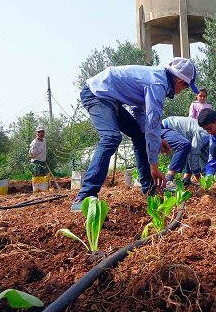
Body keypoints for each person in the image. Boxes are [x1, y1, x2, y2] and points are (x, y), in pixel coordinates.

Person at [71, 57, 199, 211]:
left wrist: (159, 136)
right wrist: (154, 166)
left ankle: (149, 189)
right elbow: (152, 122)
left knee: (139, 135)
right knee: (111, 137)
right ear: (179, 82)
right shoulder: (157, 84)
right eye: (185, 88)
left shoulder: (158, 78)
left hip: (111, 98)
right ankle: (85, 195)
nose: (181, 92)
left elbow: (138, 110)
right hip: (96, 94)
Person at [161, 116, 210, 188]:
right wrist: (198, 176)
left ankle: (186, 180)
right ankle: (168, 179)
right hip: (162, 128)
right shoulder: (204, 134)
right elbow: (194, 154)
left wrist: (206, 175)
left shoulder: (208, 138)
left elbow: (203, 157)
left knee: (190, 147)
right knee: (184, 145)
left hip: (170, 127)